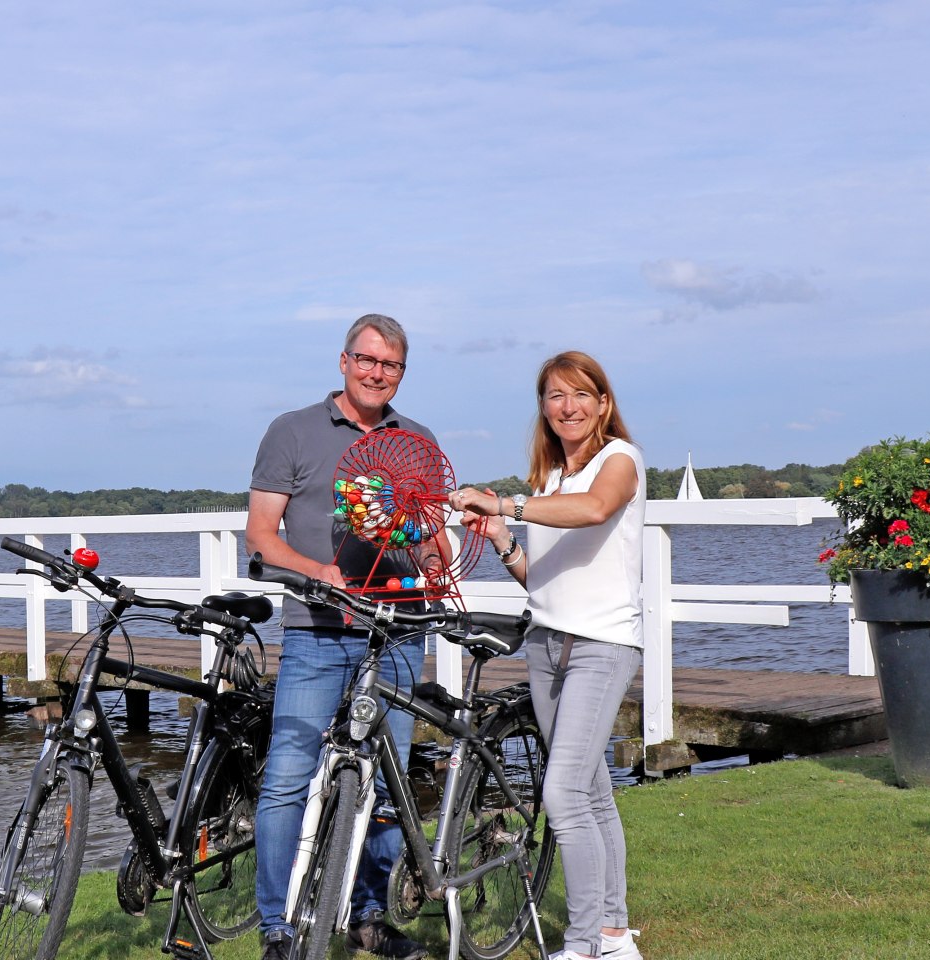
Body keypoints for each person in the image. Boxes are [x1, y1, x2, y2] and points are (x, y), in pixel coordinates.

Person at [247, 314, 435, 960]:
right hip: (318, 633)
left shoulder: (417, 439)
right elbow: (262, 536)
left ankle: (370, 919)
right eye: (367, 360)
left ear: (401, 373)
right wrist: (321, 571)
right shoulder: (292, 431)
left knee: (388, 783)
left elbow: (433, 541)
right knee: (287, 780)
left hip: (399, 636)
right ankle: (277, 923)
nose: (377, 373)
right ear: (343, 360)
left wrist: (436, 553)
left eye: (390, 365)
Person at [447, 350, 646, 960]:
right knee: (589, 791)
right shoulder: (550, 479)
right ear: (544, 408)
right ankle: (614, 933)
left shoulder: (621, 460)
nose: (569, 407)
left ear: (604, 403)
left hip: (601, 645)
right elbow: (545, 578)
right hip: (546, 643)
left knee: (560, 795)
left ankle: (584, 942)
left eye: (581, 394)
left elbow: (595, 511)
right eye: (556, 396)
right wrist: (504, 539)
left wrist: (501, 503)